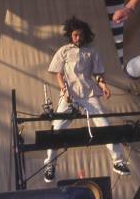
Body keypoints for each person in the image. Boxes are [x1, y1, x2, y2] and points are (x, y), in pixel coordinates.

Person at [44, 16, 130, 183]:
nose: (78, 38)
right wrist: (63, 89)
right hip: (70, 95)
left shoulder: (92, 51)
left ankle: (118, 161)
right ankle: (50, 165)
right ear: (71, 35)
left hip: (89, 94)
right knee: (56, 129)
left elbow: (97, 74)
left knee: (104, 125)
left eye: (81, 35)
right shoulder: (64, 51)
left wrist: (103, 86)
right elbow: (58, 74)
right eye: (75, 35)